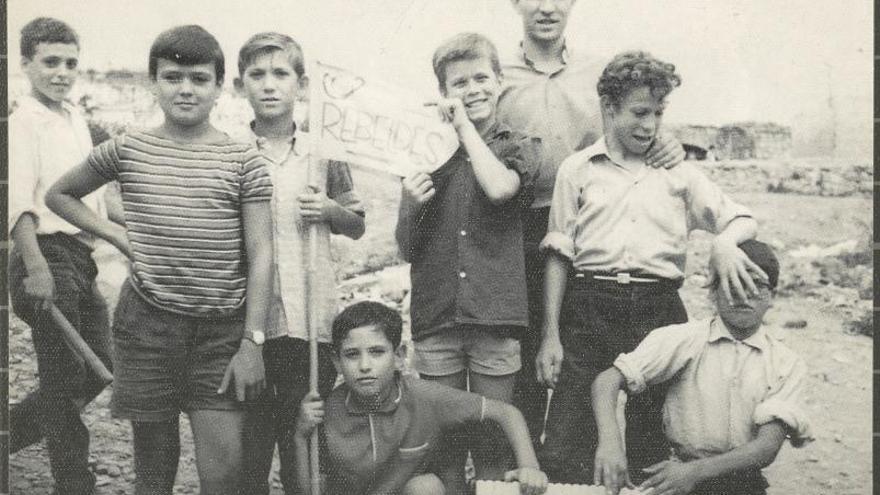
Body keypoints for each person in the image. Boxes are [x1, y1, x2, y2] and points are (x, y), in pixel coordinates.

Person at [45, 25, 274, 495]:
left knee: (224, 472)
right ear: (153, 82)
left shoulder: (242, 159)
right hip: (147, 326)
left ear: (219, 87)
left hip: (222, 331)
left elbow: (262, 253)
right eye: (172, 77)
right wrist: (117, 234)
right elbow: (60, 195)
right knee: (153, 471)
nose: (185, 89)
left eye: (198, 78)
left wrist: (252, 342)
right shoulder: (128, 148)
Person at [536, 51, 767, 484]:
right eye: (639, 113)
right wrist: (550, 334)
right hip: (588, 304)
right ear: (608, 108)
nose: (650, 125)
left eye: (658, 113)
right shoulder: (578, 170)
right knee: (569, 441)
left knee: (653, 439)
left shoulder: (677, 172)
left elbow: (741, 217)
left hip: (658, 309)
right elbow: (558, 254)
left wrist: (724, 242)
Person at [497, 0, 685, 447]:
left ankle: (589, 453)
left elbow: (643, 119)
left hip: (587, 229)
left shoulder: (598, 74)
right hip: (515, 227)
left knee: (581, 357)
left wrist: (669, 142)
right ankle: (531, 466)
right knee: (529, 356)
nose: (547, 8)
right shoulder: (498, 74)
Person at [394, 32, 539, 494]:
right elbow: (404, 247)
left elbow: (500, 189)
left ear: (500, 81)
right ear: (443, 92)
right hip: (438, 315)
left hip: (494, 314)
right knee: (447, 446)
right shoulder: (423, 151)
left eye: (482, 78)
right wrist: (406, 204)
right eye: (459, 83)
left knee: (493, 444)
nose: (473, 89)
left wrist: (462, 131)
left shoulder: (517, 143)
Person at [233, 31, 365, 495]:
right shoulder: (230, 151)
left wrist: (329, 210)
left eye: (281, 74)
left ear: (302, 85)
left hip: (310, 323)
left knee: (303, 446)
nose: (269, 85)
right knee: (249, 451)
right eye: (257, 74)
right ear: (239, 85)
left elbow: (356, 222)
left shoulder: (323, 151)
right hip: (249, 322)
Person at [592, 240, 813, 495]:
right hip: (678, 475)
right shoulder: (684, 338)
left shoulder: (785, 362)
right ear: (712, 292)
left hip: (741, 482)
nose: (744, 294)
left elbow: (766, 447)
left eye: (757, 284)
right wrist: (610, 443)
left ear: (772, 296)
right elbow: (607, 381)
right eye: (732, 281)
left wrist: (695, 472)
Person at [7, 17, 112, 495]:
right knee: (63, 373)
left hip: (79, 258)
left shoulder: (75, 120)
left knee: (98, 366)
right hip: (43, 255)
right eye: (50, 62)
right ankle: (74, 483)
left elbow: (95, 202)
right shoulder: (22, 121)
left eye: (71, 63)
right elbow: (18, 205)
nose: (62, 72)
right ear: (26, 64)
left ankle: (6, 435)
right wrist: (36, 268)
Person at [294, 301, 549, 495]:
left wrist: (530, 467)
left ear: (399, 355)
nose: (364, 365)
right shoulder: (329, 410)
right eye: (351, 354)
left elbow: (506, 412)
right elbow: (311, 491)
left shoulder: (421, 396)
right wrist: (300, 435)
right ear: (336, 362)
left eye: (376, 352)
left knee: (425, 486)